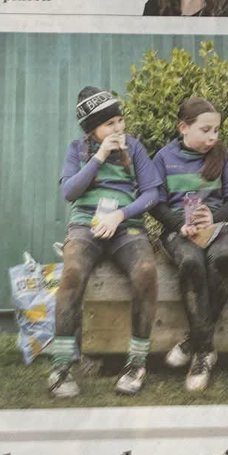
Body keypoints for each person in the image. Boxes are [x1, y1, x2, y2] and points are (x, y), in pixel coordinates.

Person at [48, 88, 164, 399]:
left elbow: (152, 193)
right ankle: (61, 367)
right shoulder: (78, 150)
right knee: (72, 271)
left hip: (126, 226)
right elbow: (69, 192)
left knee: (146, 270)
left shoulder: (134, 147)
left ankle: (136, 364)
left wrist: (120, 215)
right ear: (92, 129)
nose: (118, 128)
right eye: (109, 124)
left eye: (120, 120)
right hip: (85, 224)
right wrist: (99, 157)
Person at [150, 97, 228, 391]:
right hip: (178, 231)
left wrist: (213, 217)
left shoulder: (222, 157)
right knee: (191, 262)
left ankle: (195, 343)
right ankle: (205, 352)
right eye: (205, 130)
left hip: (218, 227)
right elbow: (155, 204)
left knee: (225, 257)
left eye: (216, 130)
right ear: (183, 128)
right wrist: (180, 223)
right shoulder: (163, 158)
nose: (212, 137)